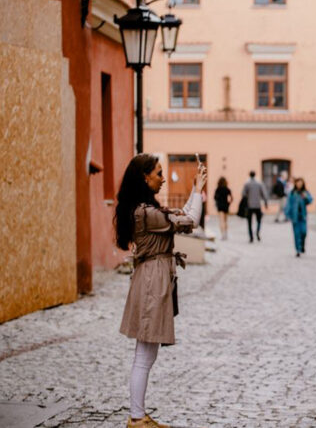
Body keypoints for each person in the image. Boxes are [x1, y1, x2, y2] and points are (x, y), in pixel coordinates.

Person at [114, 154, 206, 428]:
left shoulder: (145, 210)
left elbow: (183, 217)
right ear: (144, 177)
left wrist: (194, 190)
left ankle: (139, 414)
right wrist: (198, 190)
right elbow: (191, 220)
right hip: (152, 282)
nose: (163, 177)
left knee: (148, 351)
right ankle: (136, 417)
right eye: (158, 173)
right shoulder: (145, 213)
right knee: (144, 353)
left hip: (153, 279)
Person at [284, 177, 313, 257]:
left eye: (301, 183)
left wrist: (305, 197)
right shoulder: (292, 193)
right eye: (298, 183)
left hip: (303, 216)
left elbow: (310, 200)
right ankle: (298, 250)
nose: (299, 184)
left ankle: (302, 245)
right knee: (296, 234)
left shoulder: (305, 192)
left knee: (304, 232)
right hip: (295, 216)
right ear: (295, 184)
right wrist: (287, 214)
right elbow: (288, 204)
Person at [242, 170, 268, 242]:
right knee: (259, 221)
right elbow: (264, 194)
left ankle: (251, 237)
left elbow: (243, 194)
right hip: (257, 205)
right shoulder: (259, 183)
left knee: (249, 222)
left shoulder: (247, 184)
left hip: (249, 205)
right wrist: (266, 203)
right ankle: (257, 232)